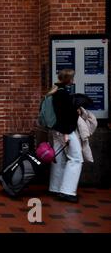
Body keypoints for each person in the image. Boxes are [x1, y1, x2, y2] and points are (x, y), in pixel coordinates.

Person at [48, 69, 82, 203]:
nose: (73, 80)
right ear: (68, 79)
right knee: (76, 158)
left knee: (59, 158)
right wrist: (67, 133)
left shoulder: (54, 92)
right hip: (65, 131)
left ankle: (55, 187)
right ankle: (67, 191)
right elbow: (66, 115)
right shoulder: (64, 94)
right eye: (72, 77)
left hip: (56, 130)